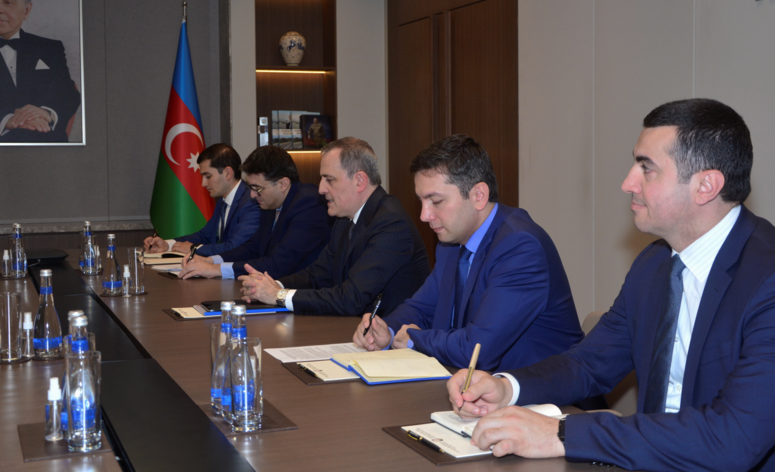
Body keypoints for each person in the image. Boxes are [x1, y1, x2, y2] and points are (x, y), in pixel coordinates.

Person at [447, 99, 775, 472]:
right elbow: (589, 363)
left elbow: (733, 439)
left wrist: (563, 433)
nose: (627, 183)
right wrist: (507, 388)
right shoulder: (655, 263)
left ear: (706, 186)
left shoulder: (766, 279)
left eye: (647, 168)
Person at [352, 135, 583, 373]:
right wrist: (386, 330)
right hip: (474, 384)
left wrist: (414, 339)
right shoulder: (451, 244)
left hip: (543, 390)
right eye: (421, 201)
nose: (424, 215)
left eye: (436, 201)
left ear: (478, 196)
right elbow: (421, 308)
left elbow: (478, 351)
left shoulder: (520, 248)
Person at [240, 137, 430, 316]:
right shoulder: (344, 218)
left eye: (329, 179)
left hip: (392, 333)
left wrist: (278, 296)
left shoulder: (391, 223)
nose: (321, 189)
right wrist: (274, 285)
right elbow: (319, 273)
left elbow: (351, 298)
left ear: (360, 181)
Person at [178, 146, 331, 280]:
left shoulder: (309, 204)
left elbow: (277, 264)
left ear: (283, 184)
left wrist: (215, 270)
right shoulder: (270, 202)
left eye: (257, 188)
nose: (252, 195)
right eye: (250, 188)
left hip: (304, 294)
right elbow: (253, 248)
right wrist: (211, 260)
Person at [0, 0, 81, 143]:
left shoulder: (49, 48)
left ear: (27, 10)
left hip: (47, 144)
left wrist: (46, 113)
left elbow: (68, 93)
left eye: (8, 2)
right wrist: (6, 121)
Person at [144, 143, 259, 257]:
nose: (203, 183)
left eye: (208, 176)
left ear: (228, 173)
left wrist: (193, 248)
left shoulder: (252, 202)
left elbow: (235, 248)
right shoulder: (223, 201)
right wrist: (167, 245)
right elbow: (204, 236)